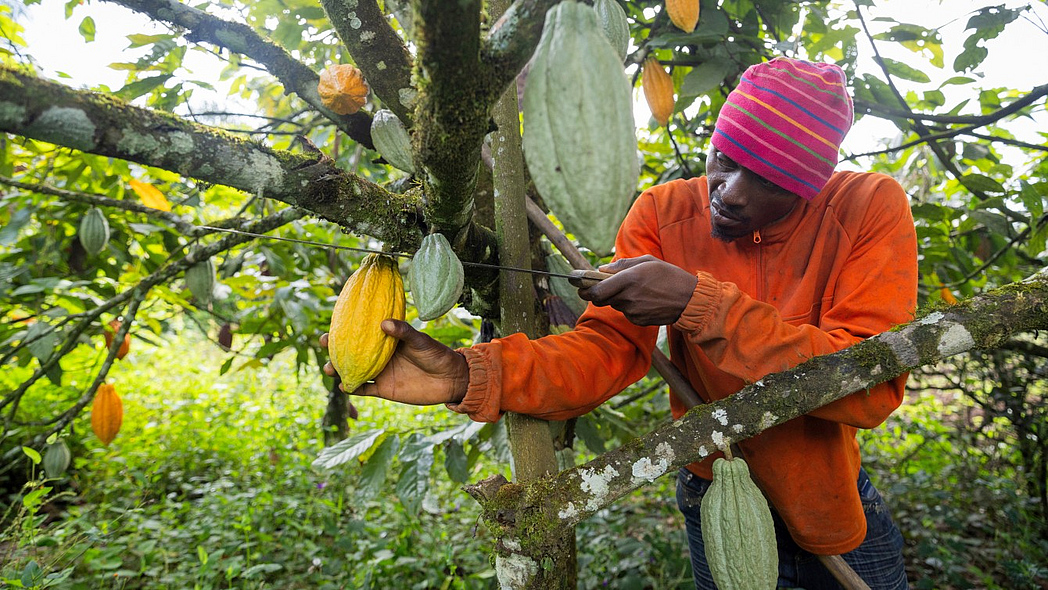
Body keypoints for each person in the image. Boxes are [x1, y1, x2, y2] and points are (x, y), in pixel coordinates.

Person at [322, 57, 916, 590]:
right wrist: (464, 375)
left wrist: (697, 304)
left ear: (808, 188)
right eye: (723, 160)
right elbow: (605, 351)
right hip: (715, 491)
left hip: (828, 500)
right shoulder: (663, 214)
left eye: (763, 180)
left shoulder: (868, 209)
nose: (727, 192)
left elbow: (869, 386)